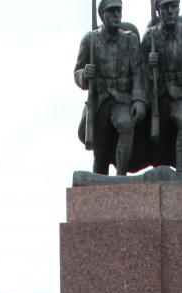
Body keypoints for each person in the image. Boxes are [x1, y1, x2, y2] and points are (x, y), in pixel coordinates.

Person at [75, 0, 147, 175]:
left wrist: (139, 99)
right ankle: (100, 178)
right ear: (102, 15)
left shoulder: (130, 40)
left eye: (118, 11)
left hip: (122, 99)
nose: (116, 15)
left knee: (126, 124)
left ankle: (121, 175)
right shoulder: (89, 40)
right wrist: (85, 74)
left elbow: (138, 73)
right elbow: (77, 73)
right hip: (99, 100)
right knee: (100, 150)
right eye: (111, 11)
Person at [142, 0, 182, 171]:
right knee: (154, 130)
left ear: (178, 9)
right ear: (158, 11)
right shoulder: (150, 37)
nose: (170, 11)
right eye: (165, 8)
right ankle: (160, 171)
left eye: (173, 7)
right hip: (158, 95)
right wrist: (149, 65)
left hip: (181, 94)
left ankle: (181, 170)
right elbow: (138, 71)